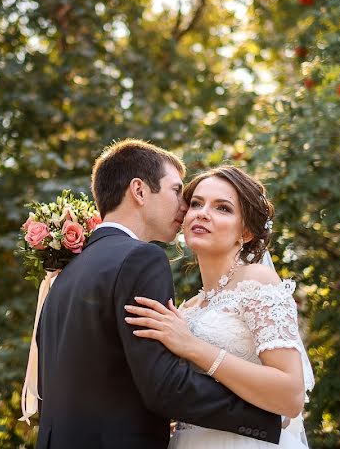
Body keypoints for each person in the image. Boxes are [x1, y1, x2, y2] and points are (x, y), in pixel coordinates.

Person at [35, 140, 282, 449]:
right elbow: (163, 386)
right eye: (177, 191)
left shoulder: (63, 277)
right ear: (139, 191)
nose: (184, 207)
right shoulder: (140, 258)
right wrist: (266, 417)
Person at [124, 166, 314, 448]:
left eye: (222, 208)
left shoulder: (257, 282)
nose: (202, 213)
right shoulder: (188, 307)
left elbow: (290, 396)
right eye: (197, 204)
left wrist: (192, 347)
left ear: (246, 232)